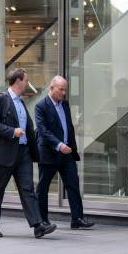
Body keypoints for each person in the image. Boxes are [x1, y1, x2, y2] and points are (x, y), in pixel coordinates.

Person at [0, 68, 56, 239]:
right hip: (4, 153)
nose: (27, 83)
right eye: (26, 80)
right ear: (18, 81)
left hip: (23, 152)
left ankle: (38, 225)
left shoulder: (21, 102)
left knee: (28, 189)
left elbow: (28, 128)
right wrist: (12, 131)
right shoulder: (1, 100)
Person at [35, 76, 94, 229]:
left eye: (65, 89)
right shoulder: (41, 106)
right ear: (52, 88)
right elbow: (43, 131)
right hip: (49, 152)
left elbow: (69, 127)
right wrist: (58, 144)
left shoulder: (65, 104)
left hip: (66, 152)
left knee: (73, 184)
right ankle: (43, 220)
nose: (63, 92)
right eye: (61, 89)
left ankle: (77, 219)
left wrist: (71, 146)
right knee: (43, 187)